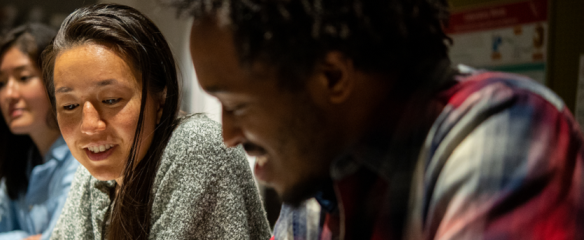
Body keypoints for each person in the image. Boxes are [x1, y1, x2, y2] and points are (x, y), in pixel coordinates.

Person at [167, 0, 584, 239]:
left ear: (332, 77)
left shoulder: (501, 126)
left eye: (236, 106)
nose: (227, 136)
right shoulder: (319, 180)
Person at [42, 4, 270, 240]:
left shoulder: (196, 146)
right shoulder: (91, 178)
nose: (89, 126)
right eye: (69, 106)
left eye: (111, 100)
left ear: (160, 100)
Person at [0, 23, 79, 240]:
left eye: (23, 77)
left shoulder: (81, 162)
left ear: (57, 81)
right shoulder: (24, 162)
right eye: (1, 83)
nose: (9, 93)